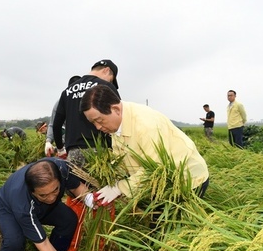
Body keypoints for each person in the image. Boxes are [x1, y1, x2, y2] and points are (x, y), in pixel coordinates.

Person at [80, 85, 210, 206]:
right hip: (160, 183)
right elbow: (120, 157)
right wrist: (112, 181)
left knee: (170, 227)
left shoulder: (146, 125)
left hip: (187, 179)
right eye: (93, 123)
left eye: (99, 120)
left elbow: (154, 168)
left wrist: (120, 188)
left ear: (116, 109)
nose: (97, 127)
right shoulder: (116, 125)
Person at [0, 157, 94, 251]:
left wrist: (90, 199)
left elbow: (76, 186)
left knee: (69, 219)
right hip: (7, 209)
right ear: (32, 191)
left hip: (40, 206)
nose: (51, 198)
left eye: (55, 190)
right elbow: (43, 245)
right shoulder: (23, 205)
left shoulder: (61, 169)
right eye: (43, 195)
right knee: (14, 242)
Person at [52, 60, 120, 167]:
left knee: (76, 183)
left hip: (74, 151)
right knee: (103, 184)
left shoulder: (67, 91)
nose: (110, 82)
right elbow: (119, 115)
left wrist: (60, 148)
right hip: (100, 151)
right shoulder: (105, 86)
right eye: (111, 80)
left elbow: (56, 125)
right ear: (106, 70)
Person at [44, 76, 80, 157]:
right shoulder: (61, 102)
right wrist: (48, 141)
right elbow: (53, 124)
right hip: (67, 141)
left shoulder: (88, 100)